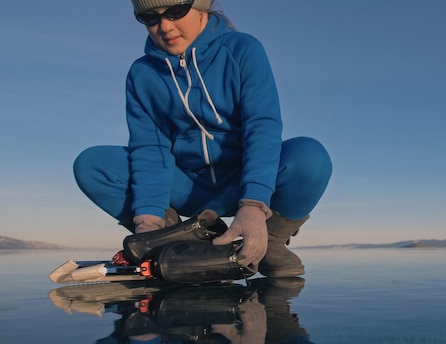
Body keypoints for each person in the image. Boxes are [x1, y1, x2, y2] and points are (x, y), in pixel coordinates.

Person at [73, 0, 332, 277]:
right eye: (150, 17)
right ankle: (174, 238)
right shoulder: (142, 74)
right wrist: (148, 220)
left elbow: (262, 127)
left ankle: (270, 242)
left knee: (310, 157)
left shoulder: (243, 50)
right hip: (186, 187)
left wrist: (254, 204)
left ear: (201, 8)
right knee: (92, 165)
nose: (165, 26)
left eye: (175, 12)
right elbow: (151, 148)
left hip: (242, 182)